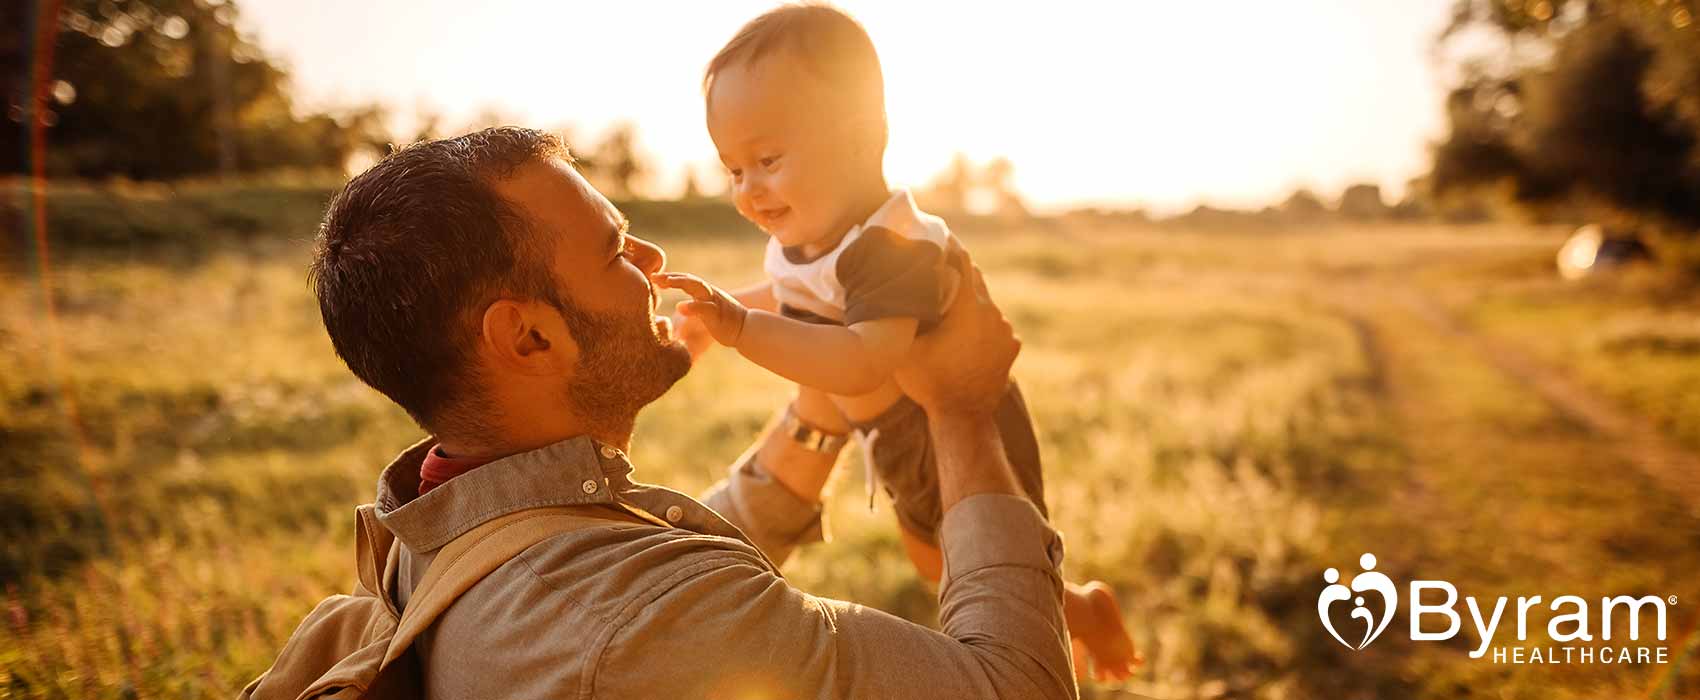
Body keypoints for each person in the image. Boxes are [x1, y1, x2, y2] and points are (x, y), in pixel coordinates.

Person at [307, 126, 1077, 697]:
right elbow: (1015, 687)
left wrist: (819, 419)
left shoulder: (440, 530)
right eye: (615, 251)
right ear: (530, 336)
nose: (653, 262)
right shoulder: (626, 624)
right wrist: (960, 409)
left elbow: (642, 565)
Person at [659, 4, 1137, 680]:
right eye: (733, 169)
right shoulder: (814, 238)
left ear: (862, 135)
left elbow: (862, 359)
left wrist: (741, 330)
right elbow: (799, 298)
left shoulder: (893, 246)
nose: (749, 191)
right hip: (895, 435)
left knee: (979, 567)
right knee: (934, 564)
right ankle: (1078, 607)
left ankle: (1081, 613)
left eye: (767, 159)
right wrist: (721, 314)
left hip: (966, 440)